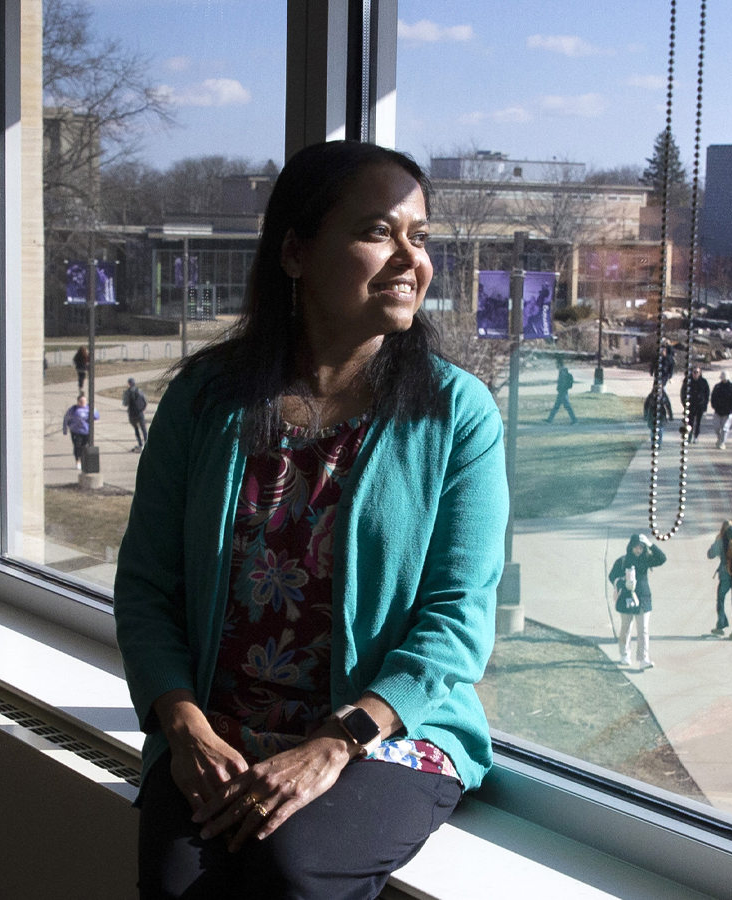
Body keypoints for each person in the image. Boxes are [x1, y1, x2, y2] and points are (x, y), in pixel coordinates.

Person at [115, 141, 500, 900]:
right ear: (295, 251)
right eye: (378, 232)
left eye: (418, 238)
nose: (408, 259)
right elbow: (147, 584)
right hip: (216, 728)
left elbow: (458, 618)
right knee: (176, 881)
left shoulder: (456, 414)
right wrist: (182, 726)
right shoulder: (207, 400)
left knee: (292, 871)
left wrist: (337, 740)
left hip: (385, 731)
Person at [608, 534, 668, 669]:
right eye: (636, 547)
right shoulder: (622, 561)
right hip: (626, 600)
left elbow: (662, 558)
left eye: (641, 547)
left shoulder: (646, 559)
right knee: (626, 628)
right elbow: (612, 576)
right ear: (631, 547)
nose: (638, 550)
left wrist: (650, 545)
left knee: (643, 631)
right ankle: (624, 654)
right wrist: (623, 583)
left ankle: (643, 659)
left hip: (643, 599)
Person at [705, 520, 732, 639]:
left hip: (726, 576)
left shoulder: (721, 540)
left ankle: (721, 626)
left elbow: (710, 554)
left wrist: (716, 542)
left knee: (720, 599)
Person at [61, 394, 97, 465]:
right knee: (77, 446)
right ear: (78, 401)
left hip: (87, 431)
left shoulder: (89, 408)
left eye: (84, 401)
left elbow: (96, 416)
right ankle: (78, 460)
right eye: (81, 401)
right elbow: (66, 419)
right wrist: (65, 429)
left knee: (85, 446)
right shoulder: (73, 409)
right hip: (76, 431)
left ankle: (84, 460)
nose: (82, 402)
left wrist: (93, 410)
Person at [710, 371, 732, 449]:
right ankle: (719, 438)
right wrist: (714, 406)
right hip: (718, 411)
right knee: (716, 428)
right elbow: (713, 398)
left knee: (725, 428)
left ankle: (722, 443)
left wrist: (731, 407)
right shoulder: (717, 387)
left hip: (728, 412)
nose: (724, 380)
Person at [681, 366, 711, 443]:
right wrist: (684, 403)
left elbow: (707, 394)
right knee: (689, 422)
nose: (695, 374)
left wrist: (705, 406)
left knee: (698, 422)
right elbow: (683, 392)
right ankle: (689, 436)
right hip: (690, 405)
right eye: (694, 372)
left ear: (700, 373)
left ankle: (696, 436)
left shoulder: (703, 382)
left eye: (697, 372)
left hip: (700, 405)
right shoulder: (687, 381)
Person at [547, 357, 578, 424]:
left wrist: (560, 388)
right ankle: (549, 419)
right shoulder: (563, 370)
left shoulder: (563, 370)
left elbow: (562, 381)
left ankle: (574, 420)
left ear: (559, 363)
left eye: (556, 364)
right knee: (557, 406)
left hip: (562, 391)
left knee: (567, 406)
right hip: (562, 391)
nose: (556, 365)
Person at [122, 377, 150, 450]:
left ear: (129, 384)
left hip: (132, 414)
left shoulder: (127, 392)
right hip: (140, 412)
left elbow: (125, 404)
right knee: (144, 429)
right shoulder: (139, 391)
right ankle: (147, 444)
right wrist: (142, 409)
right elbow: (145, 401)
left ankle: (140, 444)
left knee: (136, 428)